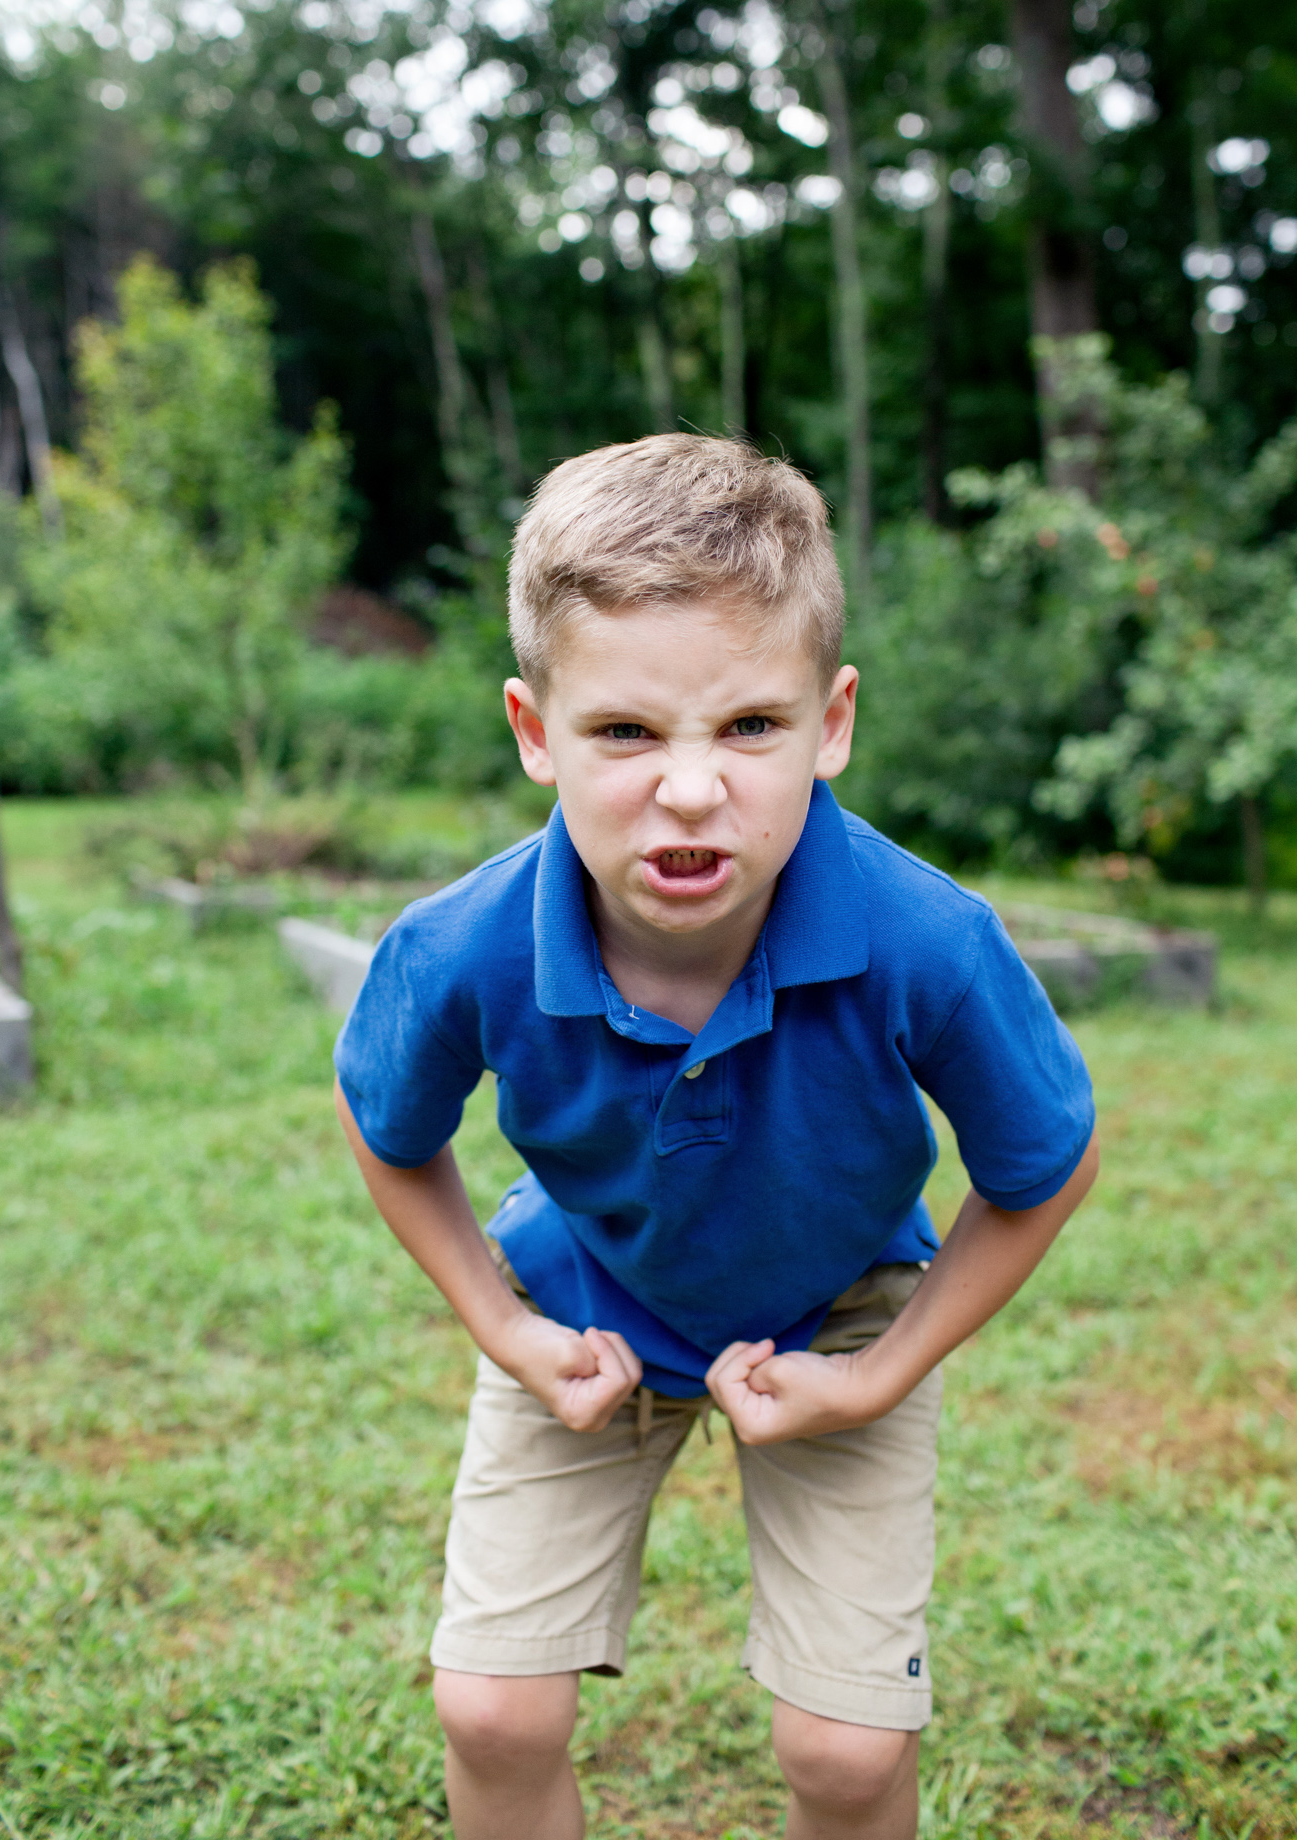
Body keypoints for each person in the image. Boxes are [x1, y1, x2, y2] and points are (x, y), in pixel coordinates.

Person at [334, 435, 1098, 1840]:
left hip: (843, 1313)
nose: (690, 789)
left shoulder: (927, 942)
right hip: (583, 1302)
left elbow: (1042, 1168)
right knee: (492, 1711)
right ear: (531, 730)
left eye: (748, 726)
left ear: (830, 722)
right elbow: (388, 1129)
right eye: (623, 733)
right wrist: (504, 1334)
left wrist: (880, 1377)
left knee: (845, 1756)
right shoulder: (458, 949)